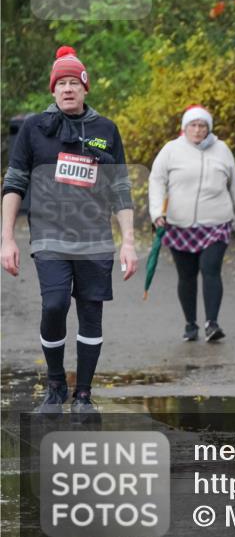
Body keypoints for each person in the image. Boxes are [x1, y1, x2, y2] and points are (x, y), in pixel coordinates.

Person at [1, 46, 139, 418]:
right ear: (52, 90)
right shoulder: (34, 127)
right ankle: (56, 384)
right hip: (49, 235)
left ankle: (83, 396)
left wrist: (128, 241)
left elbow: (121, 189)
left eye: (73, 83)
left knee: (91, 315)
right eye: (60, 83)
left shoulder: (105, 129)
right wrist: (7, 238)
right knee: (55, 304)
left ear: (84, 88)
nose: (66, 89)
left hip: (95, 238)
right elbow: (14, 182)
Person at [149, 105, 235, 342]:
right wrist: (156, 214)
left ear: (209, 128)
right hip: (178, 223)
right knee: (187, 275)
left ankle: (211, 323)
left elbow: (234, 185)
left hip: (217, 222)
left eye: (202, 125)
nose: (197, 130)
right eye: (193, 125)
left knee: (210, 269)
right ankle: (190, 324)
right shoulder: (171, 150)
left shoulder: (222, 149)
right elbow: (156, 181)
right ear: (185, 128)